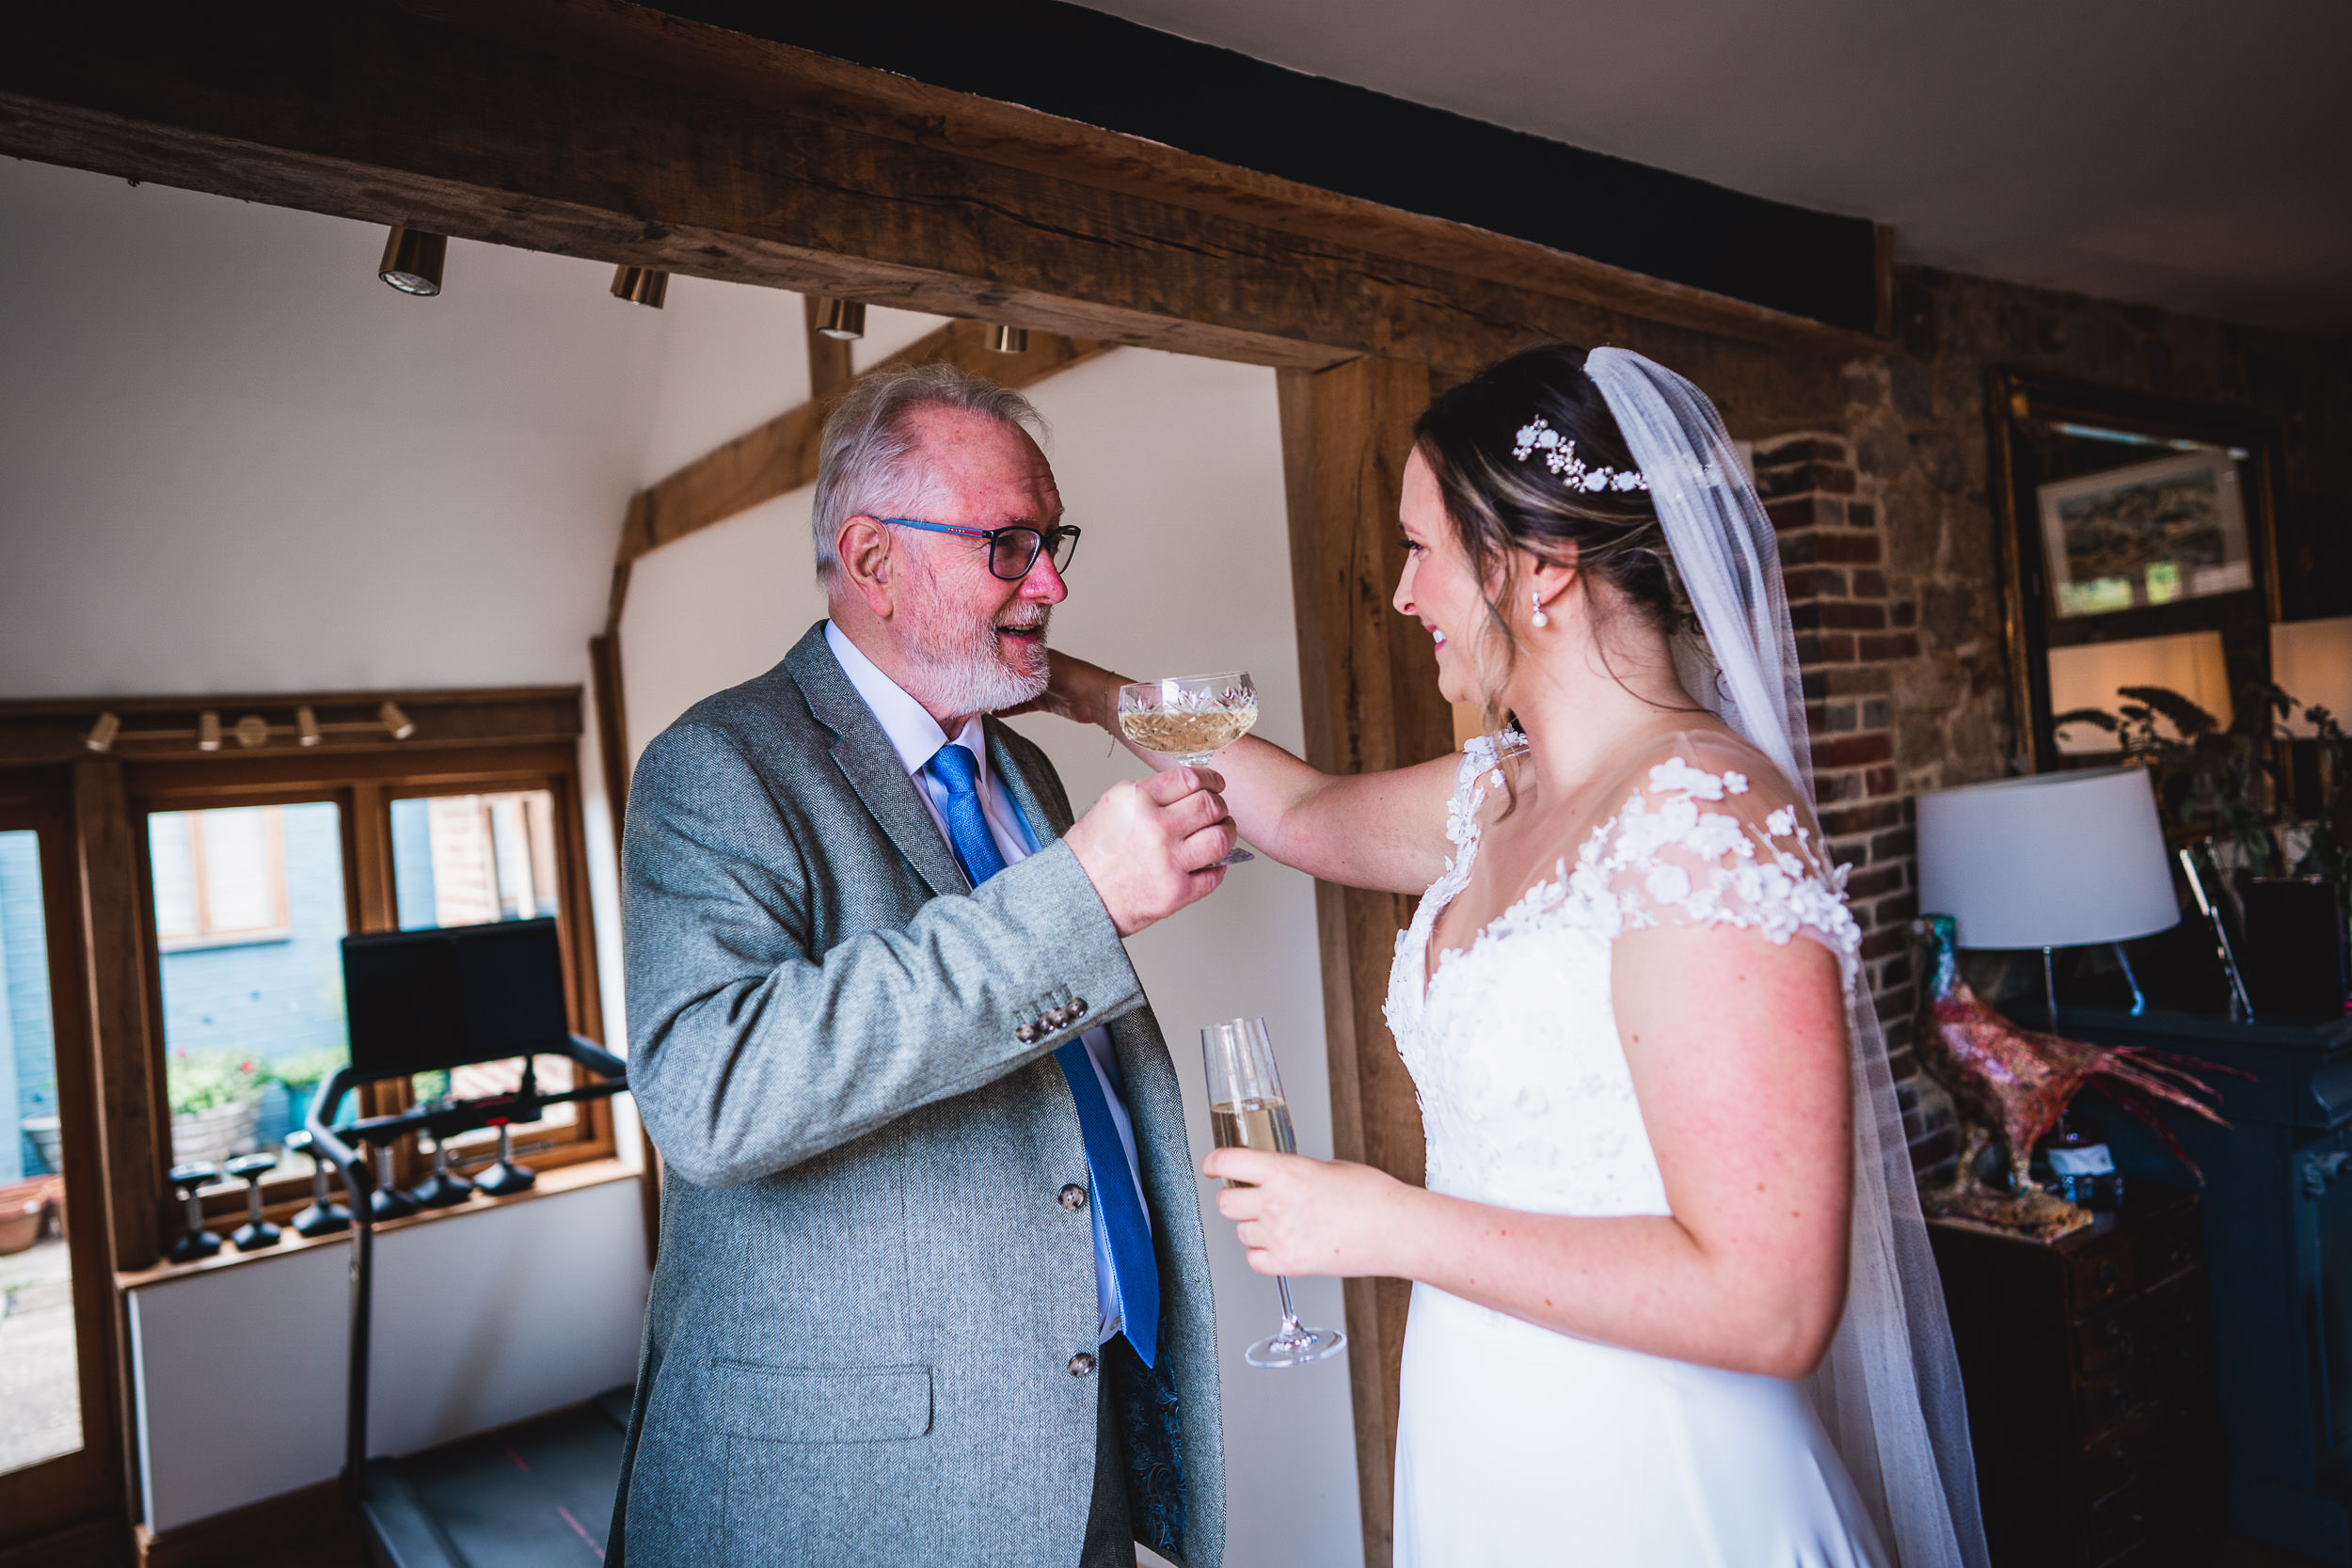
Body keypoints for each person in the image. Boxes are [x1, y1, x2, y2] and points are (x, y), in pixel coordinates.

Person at [1037, 345, 1988, 1567]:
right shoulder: (1499, 790)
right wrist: (1064, 683)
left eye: (1422, 548)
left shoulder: (1704, 818)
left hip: (1654, 1476)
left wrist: (1390, 1223)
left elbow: (1771, 1300)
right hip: (1487, 1436)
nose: (1400, 593)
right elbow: (1305, 812)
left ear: (1536, 569)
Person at [612, 363, 1231, 1568]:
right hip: (851, 1492)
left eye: (1053, 543)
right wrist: (1079, 901)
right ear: (875, 559)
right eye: (1007, 546)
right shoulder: (716, 766)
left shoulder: (1027, 773)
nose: (1049, 584)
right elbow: (712, 1095)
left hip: (1072, 1430)